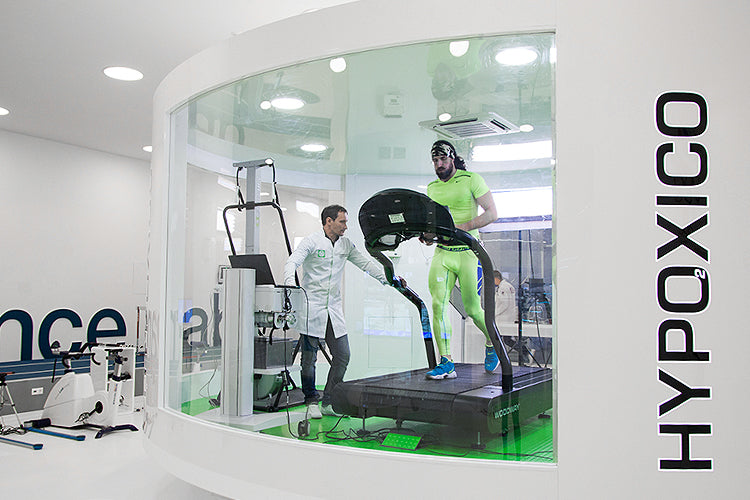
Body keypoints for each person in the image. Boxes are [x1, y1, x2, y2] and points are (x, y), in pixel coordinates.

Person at [284, 204, 394, 418]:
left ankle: (329, 401)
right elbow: (293, 261)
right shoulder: (311, 241)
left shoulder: (345, 245)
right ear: (328, 221)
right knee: (309, 359)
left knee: (343, 355)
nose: (346, 226)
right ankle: (311, 400)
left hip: (333, 309)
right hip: (312, 308)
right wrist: (289, 282)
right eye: (342, 222)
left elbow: (364, 264)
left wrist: (389, 279)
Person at [421, 139, 498, 380]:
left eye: (443, 159)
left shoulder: (471, 179)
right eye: (435, 160)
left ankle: (492, 343)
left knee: (473, 309)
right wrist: (427, 234)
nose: (439, 164)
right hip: (443, 252)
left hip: (468, 252)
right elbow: (432, 223)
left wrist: (461, 227)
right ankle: (446, 361)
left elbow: (492, 214)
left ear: (452, 158)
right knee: (438, 305)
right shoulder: (432, 188)